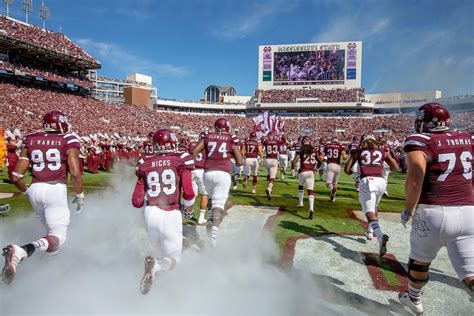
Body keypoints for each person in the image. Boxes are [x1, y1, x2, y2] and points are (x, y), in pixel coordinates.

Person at [398, 103, 474, 315]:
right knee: (470, 275)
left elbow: (415, 177)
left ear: (426, 121)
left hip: (434, 211)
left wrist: (408, 209)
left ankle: (414, 300)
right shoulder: (466, 138)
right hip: (468, 212)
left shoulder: (421, 140)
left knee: (419, 262)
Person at [2, 111, 84, 285]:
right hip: (55, 189)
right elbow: (75, 173)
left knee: (49, 231)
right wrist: (80, 194)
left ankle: (50, 267)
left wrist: (27, 192)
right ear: (60, 124)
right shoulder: (68, 139)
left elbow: (16, 176)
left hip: (35, 188)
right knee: (58, 237)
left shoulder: (31, 138)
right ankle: (22, 251)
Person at [132, 128, 196, 295]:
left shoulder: (145, 161)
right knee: (174, 259)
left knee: (159, 252)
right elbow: (189, 192)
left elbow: (137, 201)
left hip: (150, 213)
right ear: (172, 142)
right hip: (170, 212)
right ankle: (158, 268)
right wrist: (189, 208)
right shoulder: (181, 158)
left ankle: (157, 284)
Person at [191, 118, 243, 247]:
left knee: (211, 200)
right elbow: (240, 162)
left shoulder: (207, 136)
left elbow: (194, 151)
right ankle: (213, 237)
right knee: (218, 205)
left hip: (207, 173)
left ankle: (209, 220)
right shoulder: (231, 138)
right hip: (222, 173)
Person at [344, 133, 399, 255]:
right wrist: (382, 166)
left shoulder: (358, 151)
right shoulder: (383, 150)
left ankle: (379, 235)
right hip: (381, 182)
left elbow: (347, 169)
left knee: (368, 211)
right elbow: (396, 168)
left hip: (368, 181)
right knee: (374, 208)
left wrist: (355, 174)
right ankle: (369, 231)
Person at [291, 136, 322, 219]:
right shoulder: (314, 149)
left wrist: (293, 170)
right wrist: (316, 168)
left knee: (300, 186)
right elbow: (320, 161)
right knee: (310, 190)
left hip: (303, 171)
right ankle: (311, 208)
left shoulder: (301, 149)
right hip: (311, 172)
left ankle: (301, 203)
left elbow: (294, 161)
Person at [188, 133, 208, 225]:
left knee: (192, 194)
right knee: (204, 194)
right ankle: (201, 217)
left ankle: (189, 212)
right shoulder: (207, 146)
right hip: (202, 171)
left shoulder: (192, 145)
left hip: (192, 170)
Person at [322, 137, 347, 202]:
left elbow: (322, 155)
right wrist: (344, 160)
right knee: (335, 183)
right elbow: (344, 156)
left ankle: (332, 189)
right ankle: (333, 198)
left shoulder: (327, 145)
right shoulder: (340, 145)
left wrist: (323, 159)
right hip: (338, 166)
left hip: (330, 165)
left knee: (328, 183)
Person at [263, 132, 279, 200]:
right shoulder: (277, 141)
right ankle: (269, 188)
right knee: (272, 178)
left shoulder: (266, 141)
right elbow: (284, 140)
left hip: (267, 160)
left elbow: (262, 140)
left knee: (269, 175)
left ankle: (269, 187)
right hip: (274, 160)